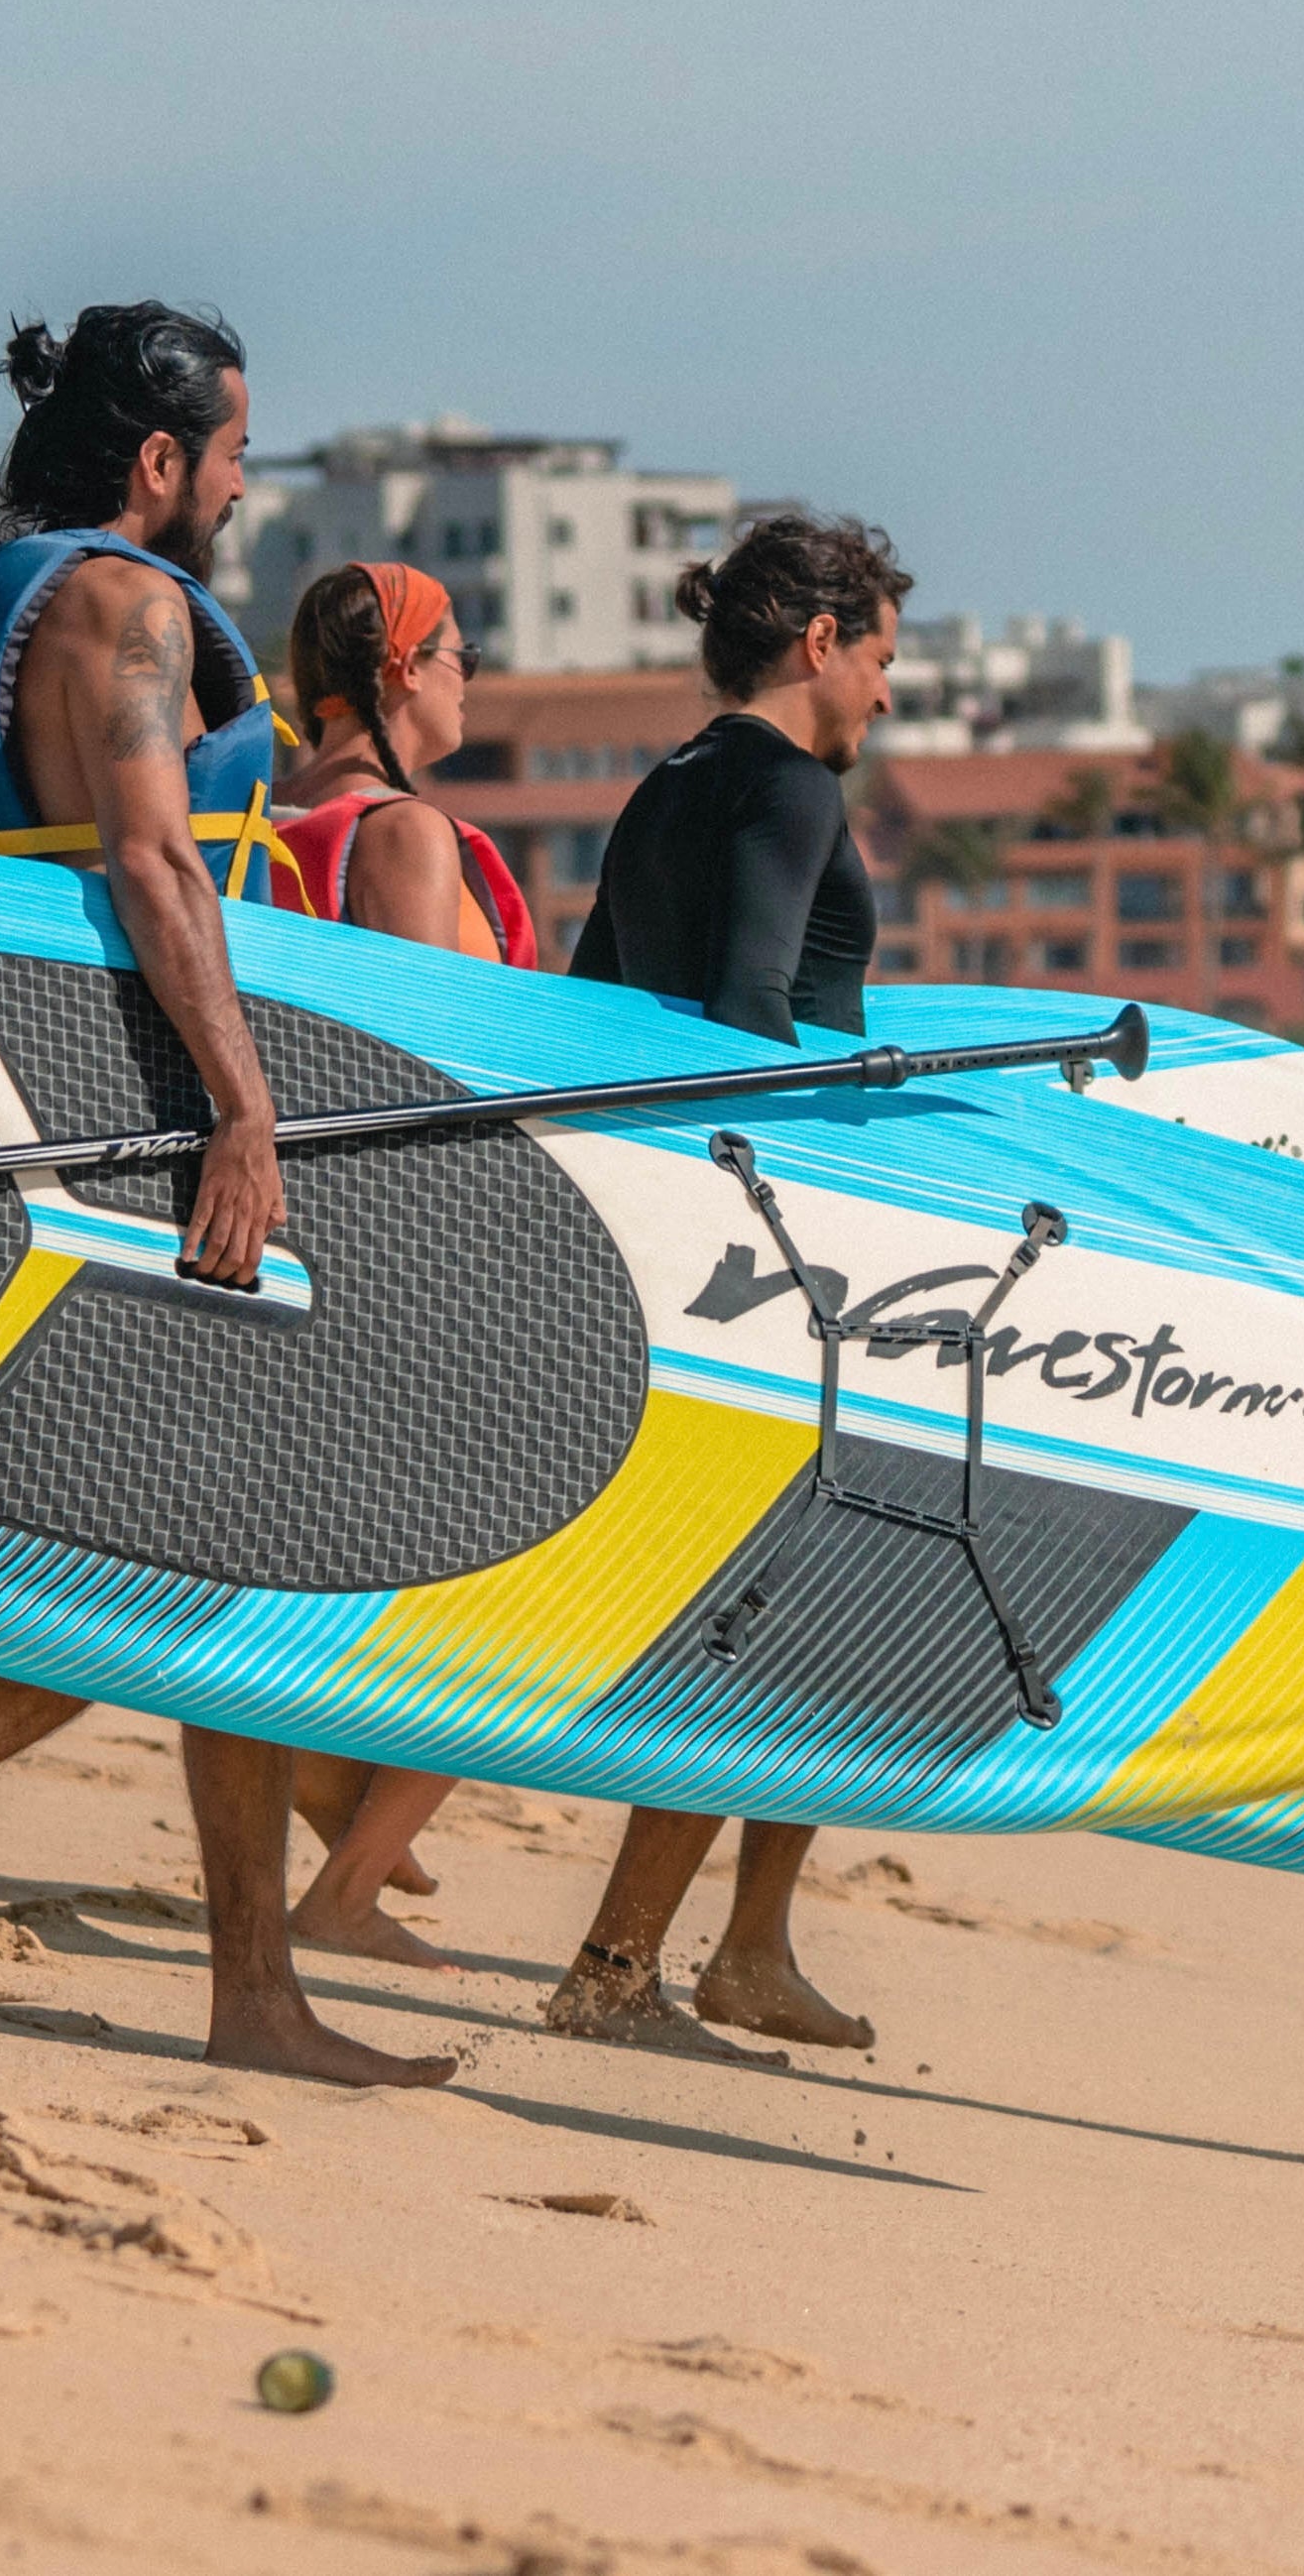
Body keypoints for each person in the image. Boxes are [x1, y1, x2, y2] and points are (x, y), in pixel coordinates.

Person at [0, 300, 453, 2092]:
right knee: (206, 1553)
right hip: (138, 1125)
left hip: (17, 1113)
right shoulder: (123, 609)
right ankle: (234, 1994)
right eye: (227, 455)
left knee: (170, 1559)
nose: (234, 488)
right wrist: (244, 1109)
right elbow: (148, 862)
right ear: (156, 460)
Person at [543, 509, 912, 2066]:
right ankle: (620, 1966)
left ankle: (749, 1944)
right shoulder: (784, 786)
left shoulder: (668, 784)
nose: (890, 693)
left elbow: (581, 1007)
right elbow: (750, 1014)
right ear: (818, 641)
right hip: (771, 1248)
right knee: (764, 1609)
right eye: (883, 656)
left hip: (675, 1222)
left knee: (800, 1606)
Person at [266, 559, 533, 1965]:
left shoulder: (269, 819)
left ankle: (336, 1807)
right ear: (402, 672)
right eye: (458, 649)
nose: (469, 674)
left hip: (300, 1237)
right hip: (413, 1257)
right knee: (515, 1584)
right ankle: (348, 1881)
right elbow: (422, 1070)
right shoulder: (404, 835)